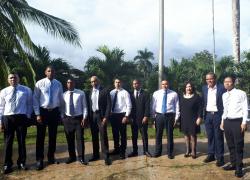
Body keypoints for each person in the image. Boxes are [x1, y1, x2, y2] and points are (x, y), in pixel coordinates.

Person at [0, 73, 32, 174]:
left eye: (15, 77)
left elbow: (29, 104)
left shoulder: (26, 90)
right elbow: (1, 107)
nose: (13, 79)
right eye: (11, 77)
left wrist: (28, 116)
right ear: (8, 80)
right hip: (8, 118)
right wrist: (0, 121)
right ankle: (7, 164)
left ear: (18, 79)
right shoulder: (3, 91)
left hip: (21, 118)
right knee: (8, 142)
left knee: (21, 141)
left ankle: (22, 162)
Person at [33, 66, 64, 170]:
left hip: (54, 112)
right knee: (40, 136)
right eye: (49, 71)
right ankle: (39, 159)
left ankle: (51, 157)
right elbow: (35, 99)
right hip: (43, 112)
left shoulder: (58, 84)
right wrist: (37, 114)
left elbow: (61, 99)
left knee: (53, 136)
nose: (51, 72)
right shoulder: (39, 83)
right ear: (45, 72)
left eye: (53, 71)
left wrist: (61, 113)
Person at [220, 76, 249, 178]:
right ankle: (233, 164)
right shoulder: (224, 95)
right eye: (225, 82)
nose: (227, 83)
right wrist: (222, 121)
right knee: (230, 144)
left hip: (238, 122)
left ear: (233, 82)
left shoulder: (241, 93)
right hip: (227, 121)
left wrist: (244, 122)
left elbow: (245, 108)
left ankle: (239, 168)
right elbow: (225, 109)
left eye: (229, 82)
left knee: (238, 145)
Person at [202, 72, 226, 167]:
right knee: (210, 136)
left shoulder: (221, 88)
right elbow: (204, 101)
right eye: (207, 79)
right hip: (208, 115)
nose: (209, 81)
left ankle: (220, 158)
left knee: (218, 137)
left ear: (215, 78)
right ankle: (211, 154)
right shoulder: (204, 88)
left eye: (211, 79)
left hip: (218, 115)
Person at [151, 80, 180, 159]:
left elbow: (177, 107)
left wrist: (176, 118)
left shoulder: (174, 94)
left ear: (168, 84)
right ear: (161, 85)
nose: (164, 85)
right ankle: (157, 152)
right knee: (158, 135)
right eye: (163, 84)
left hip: (170, 116)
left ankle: (170, 153)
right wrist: (153, 118)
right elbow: (153, 106)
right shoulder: (156, 93)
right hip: (159, 116)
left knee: (170, 135)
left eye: (166, 84)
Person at [63, 79, 88, 165]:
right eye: (68, 82)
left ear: (74, 83)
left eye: (71, 82)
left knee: (80, 139)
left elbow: (85, 106)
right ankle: (72, 157)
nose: (69, 84)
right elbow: (62, 108)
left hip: (78, 119)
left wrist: (84, 118)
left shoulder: (81, 93)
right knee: (69, 139)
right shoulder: (64, 94)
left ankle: (81, 157)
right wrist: (63, 118)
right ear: (66, 84)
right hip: (68, 119)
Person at [87, 76, 112, 165]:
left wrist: (106, 117)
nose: (93, 83)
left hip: (101, 116)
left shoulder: (104, 91)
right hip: (93, 116)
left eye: (95, 81)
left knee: (103, 136)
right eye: (92, 82)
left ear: (98, 81)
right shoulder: (90, 91)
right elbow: (89, 104)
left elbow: (109, 105)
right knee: (94, 136)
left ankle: (106, 156)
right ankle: (96, 155)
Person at [128, 79, 151, 157]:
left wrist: (146, 116)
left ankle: (146, 151)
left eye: (137, 83)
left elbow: (148, 106)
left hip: (143, 119)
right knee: (134, 136)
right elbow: (128, 106)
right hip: (133, 119)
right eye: (134, 84)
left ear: (140, 84)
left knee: (144, 135)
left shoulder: (145, 93)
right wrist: (129, 117)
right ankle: (135, 151)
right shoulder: (130, 94)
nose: (135, 85)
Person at [109, 78, 132, 159]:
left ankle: (122, 151)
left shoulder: (125, 93)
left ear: (121, 83)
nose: (117, 84)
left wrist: (126, 116)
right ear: (114, 83)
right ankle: (116, 149)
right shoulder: (111, 92)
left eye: (119, 82)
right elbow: (109, 104)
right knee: (115, 134)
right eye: (116, 82)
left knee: (123, 134)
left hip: (122, 115)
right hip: (113, 115)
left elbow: (129, 105)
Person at [179, 82, 202, 159]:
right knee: (186, 135)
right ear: (184, 88)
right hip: (184, 118)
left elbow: (200, 108)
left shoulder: (197, 97)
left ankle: (193, 151)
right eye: (187, 87)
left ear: (192, 88)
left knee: (193, 135)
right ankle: (187, 150)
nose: (188, 88)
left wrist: (199, 117)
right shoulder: (181, 97)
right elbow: (179, 108)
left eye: (190, 87)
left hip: (193, 118)